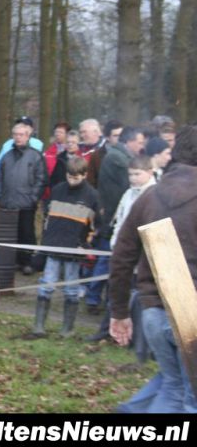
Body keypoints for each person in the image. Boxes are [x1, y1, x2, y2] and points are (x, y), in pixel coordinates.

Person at [110, 124, 197, 413]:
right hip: (190, 315)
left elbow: (121, 257)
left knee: (173, 391)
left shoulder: (149, 196)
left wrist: (120, 312)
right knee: (189, 399)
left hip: (154, 313)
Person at [30, 156, 98, 338]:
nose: (72, 179)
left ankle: (67, 329)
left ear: (84, 175)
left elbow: (94, 226)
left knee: (71, 289)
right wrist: (45, 242)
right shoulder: (58, 190)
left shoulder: (91, 196)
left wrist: (86, 245)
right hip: (53, 245)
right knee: (46, 285)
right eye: (69, 176)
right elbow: (47, 218)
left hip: (74, 249)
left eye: (76, 177)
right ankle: (38, 326)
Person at [87, 126, 145, 314]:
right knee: (106, 260)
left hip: (113, 217)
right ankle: (93, 298)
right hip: (112, 219)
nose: (142, 146)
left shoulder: (120, 157)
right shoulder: (119, 160)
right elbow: (125, 189)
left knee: (106, 260)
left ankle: (96, 298)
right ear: (129, 142)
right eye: (139, 142)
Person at [0, 121, 48, 275]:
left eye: (21, 135)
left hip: (26, 203)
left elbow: (41, 179)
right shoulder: (6, 156)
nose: (18, 138)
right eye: (15, 135)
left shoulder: (35, 156)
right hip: (8, 203)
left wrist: (33, 198)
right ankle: (12, 261)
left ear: (28, 136)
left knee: (27, 233)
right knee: (10, 234)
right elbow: (0, 178)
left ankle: (27, 262)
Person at [86, 119, 122, 187]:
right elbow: (91, 183)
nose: (120, 138)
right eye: (116, 135)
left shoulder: (129, 153)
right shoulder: (96, 156)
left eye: (121, 135)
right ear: (107, 137)